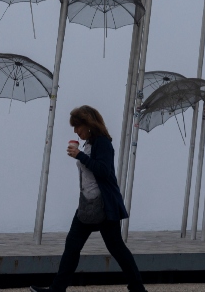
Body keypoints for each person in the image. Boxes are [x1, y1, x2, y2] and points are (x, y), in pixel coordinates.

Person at [32, 105, 147, 292]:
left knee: (116, 248)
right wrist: (80, 155)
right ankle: (56, 289)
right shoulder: (89, 144)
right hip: (87, 204)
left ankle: (138, 288)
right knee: (72, 246)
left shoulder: (103, 143)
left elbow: (105, 171)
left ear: (88, 124)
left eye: (78, 127)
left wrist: (80, 157)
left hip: (104, 205)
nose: (76, 132)